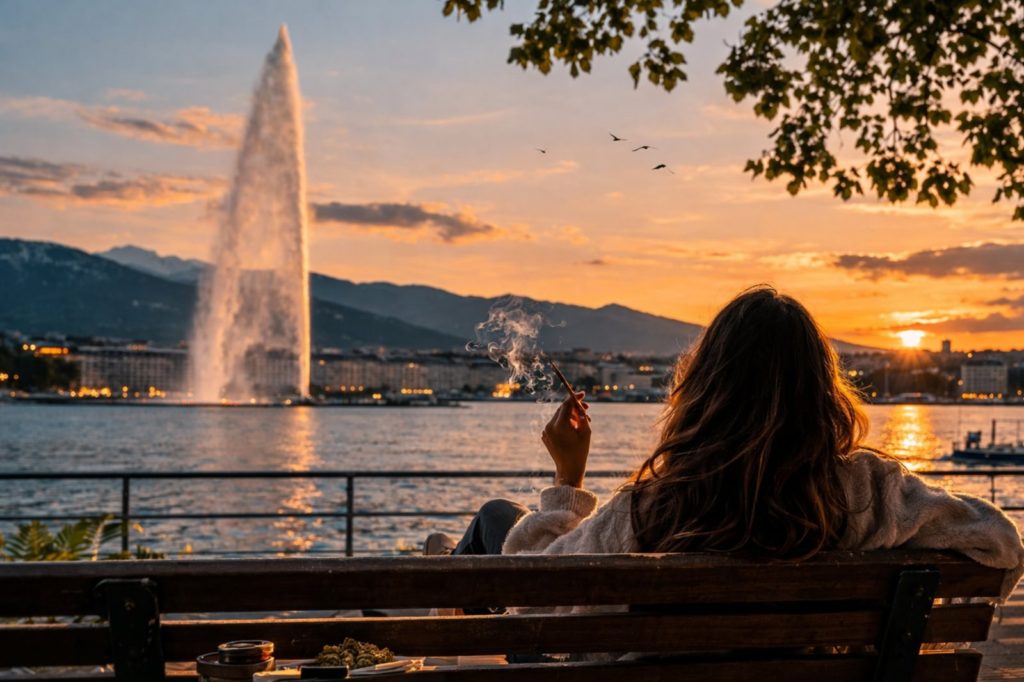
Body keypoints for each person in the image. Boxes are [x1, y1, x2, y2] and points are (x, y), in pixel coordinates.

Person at [426, 286, 1024, 598]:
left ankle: (432, 586)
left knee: (496, 523)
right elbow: (999, 545)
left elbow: (527, 588)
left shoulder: (651, 509)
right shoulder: (869, 492)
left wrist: (568, 483)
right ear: (822, 389)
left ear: (705, 387)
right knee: (494, 521)